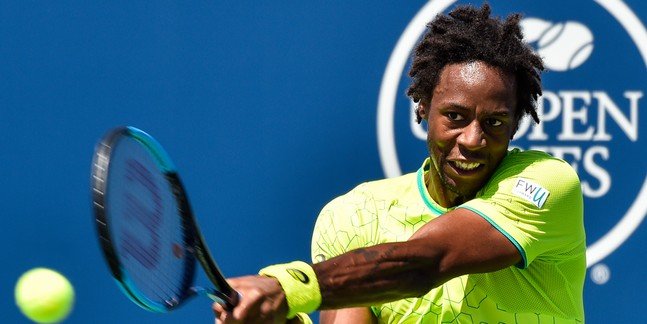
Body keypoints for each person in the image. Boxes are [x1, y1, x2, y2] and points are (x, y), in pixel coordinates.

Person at [213, 4, 586, 323]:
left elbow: (428, 260)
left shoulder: (548, 183)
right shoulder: (355, 216)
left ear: (515, 124)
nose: (473, 139)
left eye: (494, 122)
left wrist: (289, 288)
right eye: (455, 117)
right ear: (423, 108)